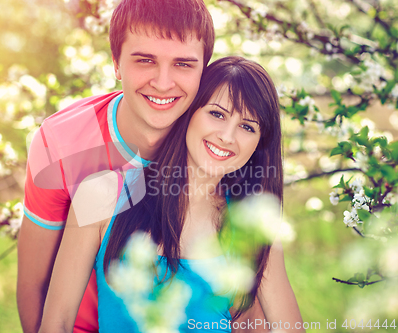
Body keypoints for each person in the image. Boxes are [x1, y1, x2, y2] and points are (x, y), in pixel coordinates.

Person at [39, 56, 304, 333]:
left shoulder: (252, 227)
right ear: (189, 112)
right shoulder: (100, 195)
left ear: (259, 145)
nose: (227, 136)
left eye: (247, 127)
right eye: (217, 114)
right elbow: (57, 323)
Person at [17, 0, 215, 332]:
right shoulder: (61, 143)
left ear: (203, 72)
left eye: (183, 64)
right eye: (145, 60)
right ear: (116, 65)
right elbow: (34, 285)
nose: (163, 82)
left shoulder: (219, 144)